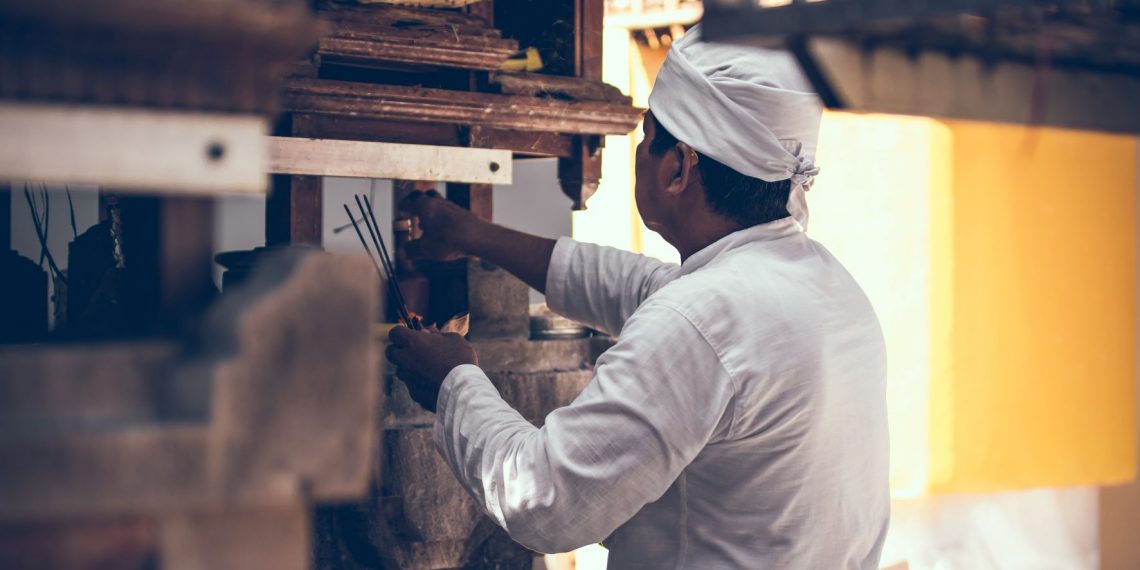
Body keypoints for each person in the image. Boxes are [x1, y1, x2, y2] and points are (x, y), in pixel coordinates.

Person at [386, 25, 889, 569]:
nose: (640, 153)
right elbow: (631, 284)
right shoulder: (822, 284)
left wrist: (451, 383)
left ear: (678, 168)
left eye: (648, 138)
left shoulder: (703, 316)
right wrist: (471, 234)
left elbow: (544, 500)